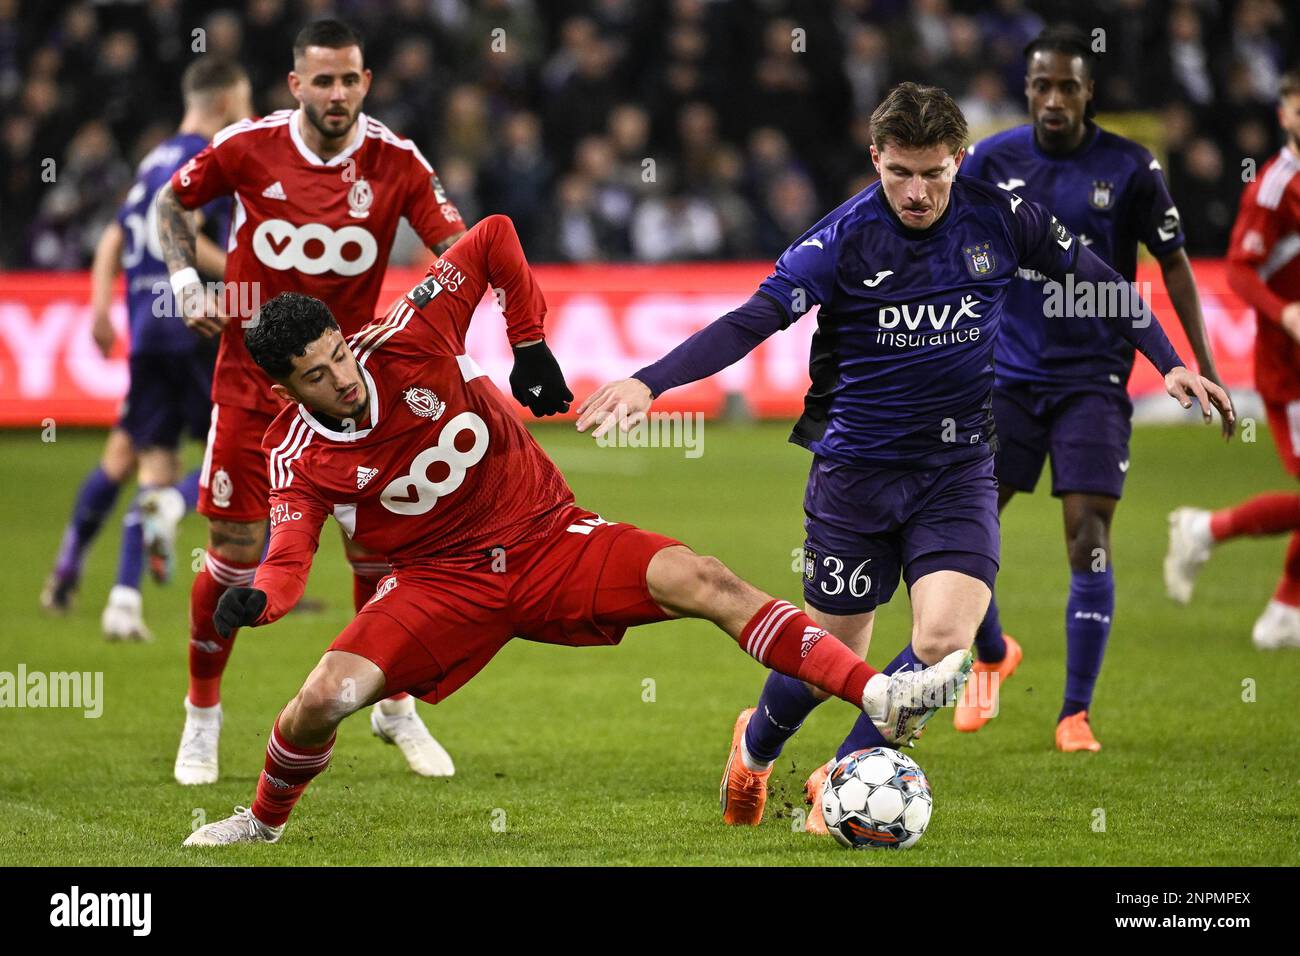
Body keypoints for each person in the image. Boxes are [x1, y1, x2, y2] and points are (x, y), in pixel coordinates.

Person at [181, 215, 970, 845]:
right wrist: (262, 603)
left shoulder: (409, 337)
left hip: (549, 538)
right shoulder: (298, 455)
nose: (341, 378)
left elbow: (491, 237)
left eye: (337, 356)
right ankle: (261, 823)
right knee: (320, 699)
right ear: (286, 391)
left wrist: (527, 344)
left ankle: (883, 696)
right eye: (316, 376)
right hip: (439, 585)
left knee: (706, 578)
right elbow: (287, 559)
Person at [576, 82, 1232, 832]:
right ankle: (754, 750)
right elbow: (752, 319)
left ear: (959, 158)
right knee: (828, 662)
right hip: (855, 476)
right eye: (900, 174)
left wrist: (1170, 359)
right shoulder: (841, 239)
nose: (916, 193)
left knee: (944, 647)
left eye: (933, 174)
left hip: (956, 472)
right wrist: (650, 380)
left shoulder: (1001, 217)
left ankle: (840, 777)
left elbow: (1100, 281)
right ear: (876, 157)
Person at [155, 19, 468, 785]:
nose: (337, 93)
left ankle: (394, 705)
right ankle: (203, 717)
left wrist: (424, 319)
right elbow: (172, 203)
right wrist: (186, 279)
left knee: (383, 554)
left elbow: (456, 247)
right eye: (321, 80)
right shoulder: (247, 146)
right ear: (296, 85)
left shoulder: (397, 161)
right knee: (233, 551)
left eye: (349, 79)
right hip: (251, 386)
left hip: (352, 393)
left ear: (367, 82)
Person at [952, 27, 1231, 751]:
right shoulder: (992, 159)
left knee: (1087, 540)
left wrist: (1200, 361)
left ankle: (1073, 712)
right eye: (1041, 85)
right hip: (1006, 377)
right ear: (1028, 89)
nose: (1053, 99)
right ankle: (992, 654)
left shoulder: (1132, 168)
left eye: (1067, 86)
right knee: (961, 525)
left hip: (1094, 381)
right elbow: (959, 251)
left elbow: (1173, 265)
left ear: (1089, 92)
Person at [40, 57, 249, 642]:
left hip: (146, 324)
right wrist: (254, 274)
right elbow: (181, 233)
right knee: (242, 451)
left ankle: (119, 598)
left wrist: (105, 308)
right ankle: (180, 514)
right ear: (228, 102)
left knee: (143, 456)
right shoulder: (202, 159)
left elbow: (112, 236)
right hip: (192, 323)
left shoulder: (151, 161)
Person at [1165, 65, 1300, 651]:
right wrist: (1287, 312)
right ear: (1285, 114)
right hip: (1289, 370)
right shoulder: (1273, 186)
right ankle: (1211, 533)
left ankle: (1282, 611)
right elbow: (1240, 270)